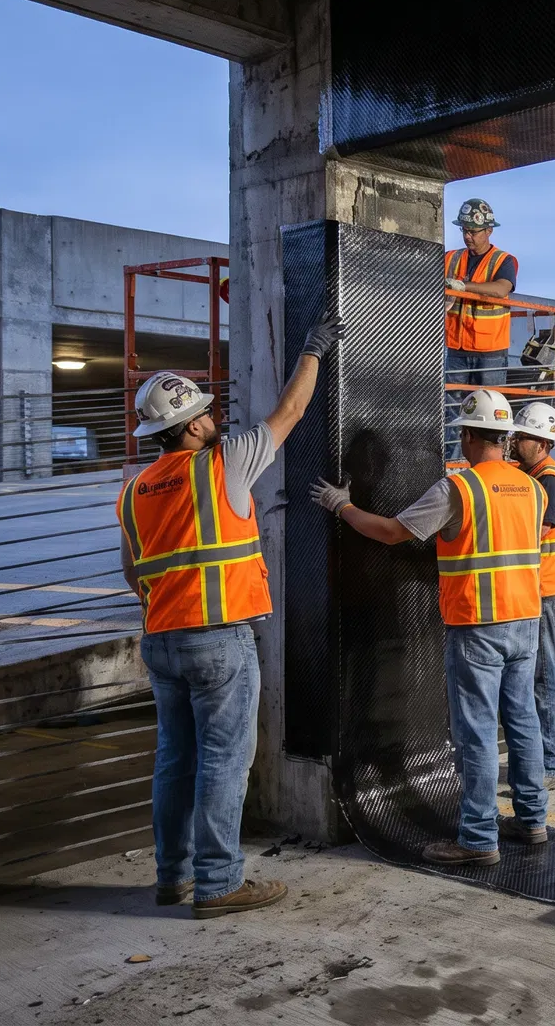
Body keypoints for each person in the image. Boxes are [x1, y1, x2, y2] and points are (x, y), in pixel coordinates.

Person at [117, 307, 341, 918]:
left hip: (162, 640)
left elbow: (134, 571)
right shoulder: (223, 462)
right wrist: (314, 349)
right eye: (205, 414)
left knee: (175, 760)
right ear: (190, 429)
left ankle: (174, 877)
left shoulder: (135, 491)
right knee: (224, 759)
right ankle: (218, 883)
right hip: (218, 639)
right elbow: (290, 413)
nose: (216, 419)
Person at [309, 388, 548, 865]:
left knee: (476, 733)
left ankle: (478, 840)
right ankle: (532, 820)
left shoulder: (458, 489)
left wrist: (341, 506)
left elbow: (393, 532)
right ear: (505, 436)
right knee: (522, 723)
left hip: (478, 624)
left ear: (468, 435)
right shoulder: (533, 489)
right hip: (525, 620)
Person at [511, 401, 555, 791]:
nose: (516, 442)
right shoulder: (533, 474)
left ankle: (551, 766)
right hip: (537, 593)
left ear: (543, 443)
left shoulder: (550, 479)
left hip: (548, 593)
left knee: (544, 679)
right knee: (533, 678)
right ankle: (541, 761)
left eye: (524, 437)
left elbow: (538, 530)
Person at [443, 198, 519, 389]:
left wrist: (464, 287)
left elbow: (501, 289)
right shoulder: (451, 258)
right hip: (456, 347)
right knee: (453, 409)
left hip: (490, 350)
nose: (468, 236)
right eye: (464, 230)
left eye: (473, 231)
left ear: (489, 231)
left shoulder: (504, 260)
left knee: (489, 405)